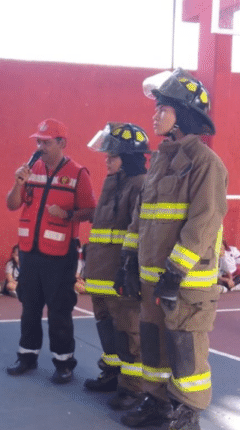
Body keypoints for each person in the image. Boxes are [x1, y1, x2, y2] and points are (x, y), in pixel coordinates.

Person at [116, 68, 228, 430]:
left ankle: (187, 418)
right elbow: (141, 216)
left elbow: (204, 222)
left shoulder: (206, 163)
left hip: (185, 282)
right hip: (152, 278)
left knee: (185, 348)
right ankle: (157, 400)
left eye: (162, 107)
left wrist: (175, 271)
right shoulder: (161, 161)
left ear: (182, 112)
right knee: (154, 343)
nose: (155, 115)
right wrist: (129, 260)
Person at [5, 118, 96, 384]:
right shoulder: (30, 169)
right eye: (38, 141)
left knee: (59, 309)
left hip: (60, 255)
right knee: (29, 307)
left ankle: (64, 362)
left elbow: (90, 210)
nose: (40, 146)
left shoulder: (78, 173)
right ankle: (27, 356)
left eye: (45, 142)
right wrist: (18, 183)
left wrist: (67, 214)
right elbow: (12, 205)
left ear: (61, 143)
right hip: (30, 253)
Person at [82, 123, 149, 410]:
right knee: (106, 327)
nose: (106, 160)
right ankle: (111, 373)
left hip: (120, 273)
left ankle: (132, 388)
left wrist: (129, 269)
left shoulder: (140, 184)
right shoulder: (113, 182)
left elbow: (138, 232)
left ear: (128, 157)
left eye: (112, 155)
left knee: (128, 331)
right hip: (100, 273)